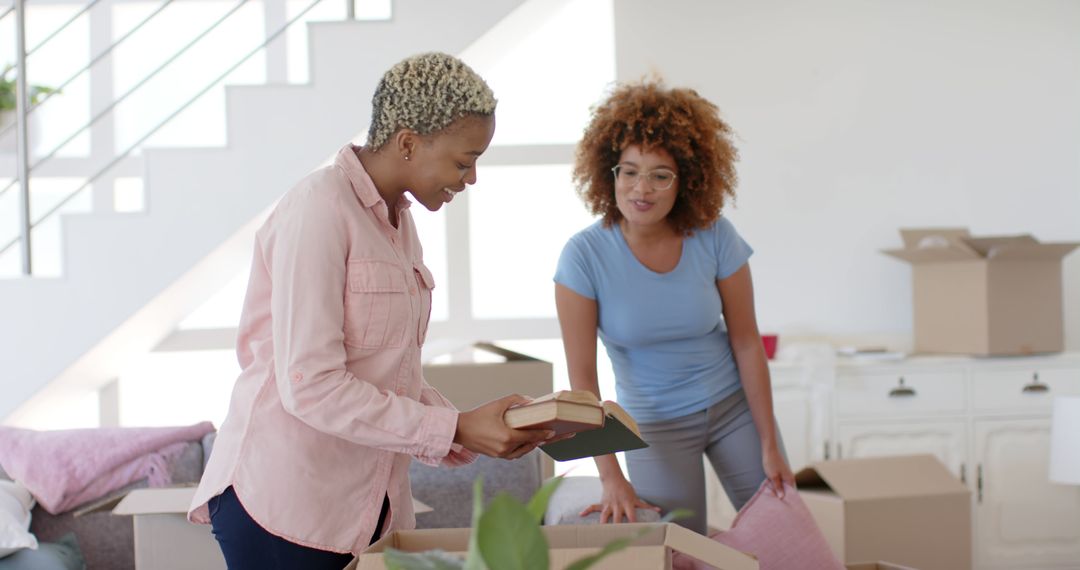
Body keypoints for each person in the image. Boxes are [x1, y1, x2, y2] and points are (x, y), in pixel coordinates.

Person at [188, 52, 557, 569]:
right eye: (462, 160)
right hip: (287, 503)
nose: (470, 178)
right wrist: (454, 428)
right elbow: (311, 384)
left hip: (358, 507)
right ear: (408, 142)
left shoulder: (398, 221)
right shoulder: (317, 209)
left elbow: (384, 371)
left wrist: (473, 423)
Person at [553, 80, 795, 535]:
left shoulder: (714, 235)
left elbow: (746, 341)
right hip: (655, 427)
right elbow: (583, 385)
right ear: (609, 173)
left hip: (733, 409)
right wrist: (611, 477)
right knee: (680, 550)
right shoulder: (583, 257)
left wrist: (770, 443)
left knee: (782, 530)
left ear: (686, 181)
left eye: (660, 175)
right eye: (629, 171)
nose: (641, 188)